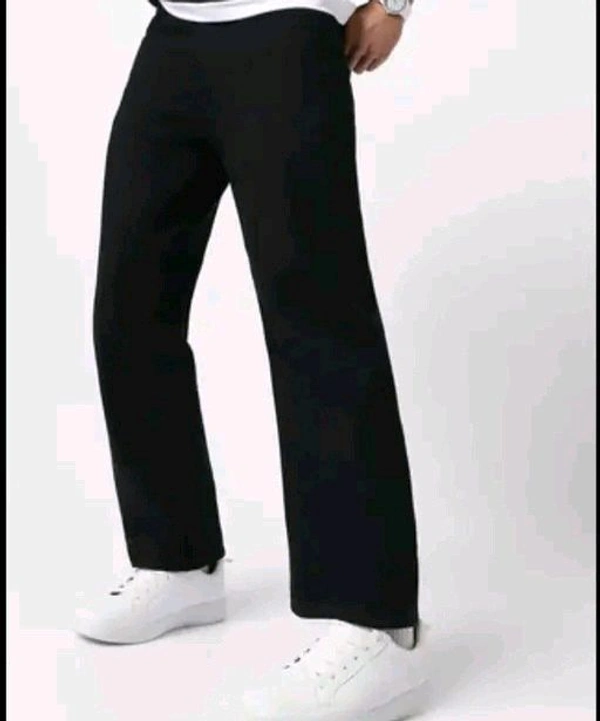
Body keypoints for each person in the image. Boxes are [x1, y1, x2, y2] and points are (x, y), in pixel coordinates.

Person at [74, 0, 430, 718]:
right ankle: (179, 559)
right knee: (130, 306)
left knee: (317, 320)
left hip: (285, 27)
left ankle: (377, 626)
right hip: (177, 31)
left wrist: (395, 2)